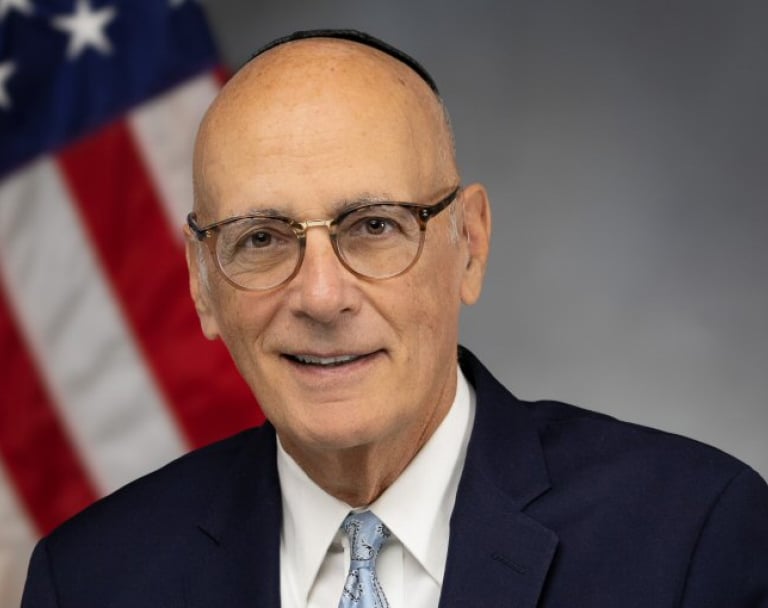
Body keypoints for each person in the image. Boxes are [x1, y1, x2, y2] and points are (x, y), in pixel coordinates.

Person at [21, 29, 768, 608]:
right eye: (262, 239)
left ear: (469, 244)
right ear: (202, 283)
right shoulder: (90, 581)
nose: (321, 296)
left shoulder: (692, 537)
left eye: (374, 227)